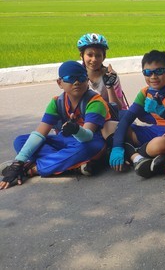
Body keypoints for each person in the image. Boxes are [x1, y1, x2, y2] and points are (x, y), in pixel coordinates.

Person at [0, 61, 110, 189]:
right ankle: (69, 165)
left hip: (88, 142)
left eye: (81, 78)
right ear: (60, 83)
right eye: (70, 78)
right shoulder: (57, 102)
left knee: (87, 148)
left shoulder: (95, 102)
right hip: (64, 142)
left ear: (87, 80)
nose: (76, 82)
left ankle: (32, 169)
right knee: (20, 141)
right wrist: (18, 163)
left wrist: (75, 130)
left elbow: (87, 137)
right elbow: (40, 133)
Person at [108, 50, 165, 175]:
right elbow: (127, 119)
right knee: (109, 126)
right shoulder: (145, 92)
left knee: (159, 144)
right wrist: (117, 147)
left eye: (158, 71)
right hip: (155, 130)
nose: (153, 77)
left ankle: (133, 155)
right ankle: (140, 155)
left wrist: (163, 111)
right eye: (147, 73)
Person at [77, 33, 127, 111]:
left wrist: (109, 86)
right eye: (90, 55)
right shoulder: (76, 76)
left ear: (104, 57)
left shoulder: (111, 76)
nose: (94, 59)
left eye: (98, 55)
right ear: (81, 55)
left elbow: (118, 108)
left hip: (109, 115)